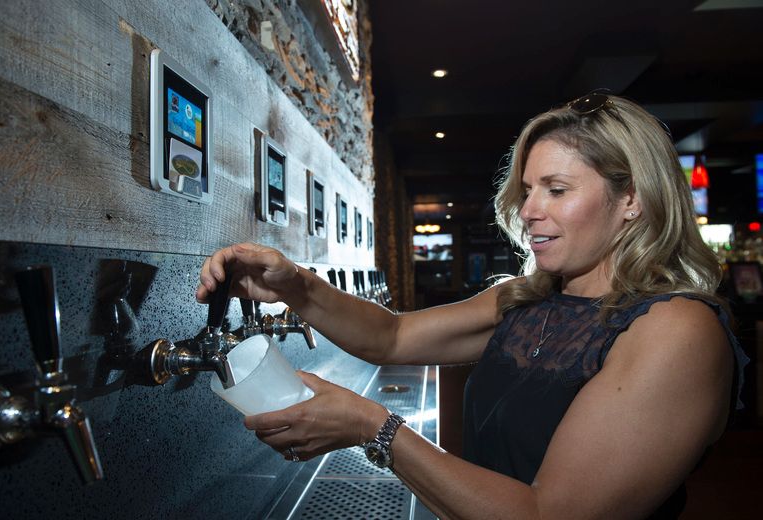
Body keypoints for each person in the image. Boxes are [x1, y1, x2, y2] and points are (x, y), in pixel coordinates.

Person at [196, 93, 749, 519]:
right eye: (527, 188)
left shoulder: (675, 329)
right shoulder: (526, 300)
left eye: (555, 190)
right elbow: (391, 338)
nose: (528, 209)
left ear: (632, 200)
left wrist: (375, 428)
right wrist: (293, 284)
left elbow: (548, 514)